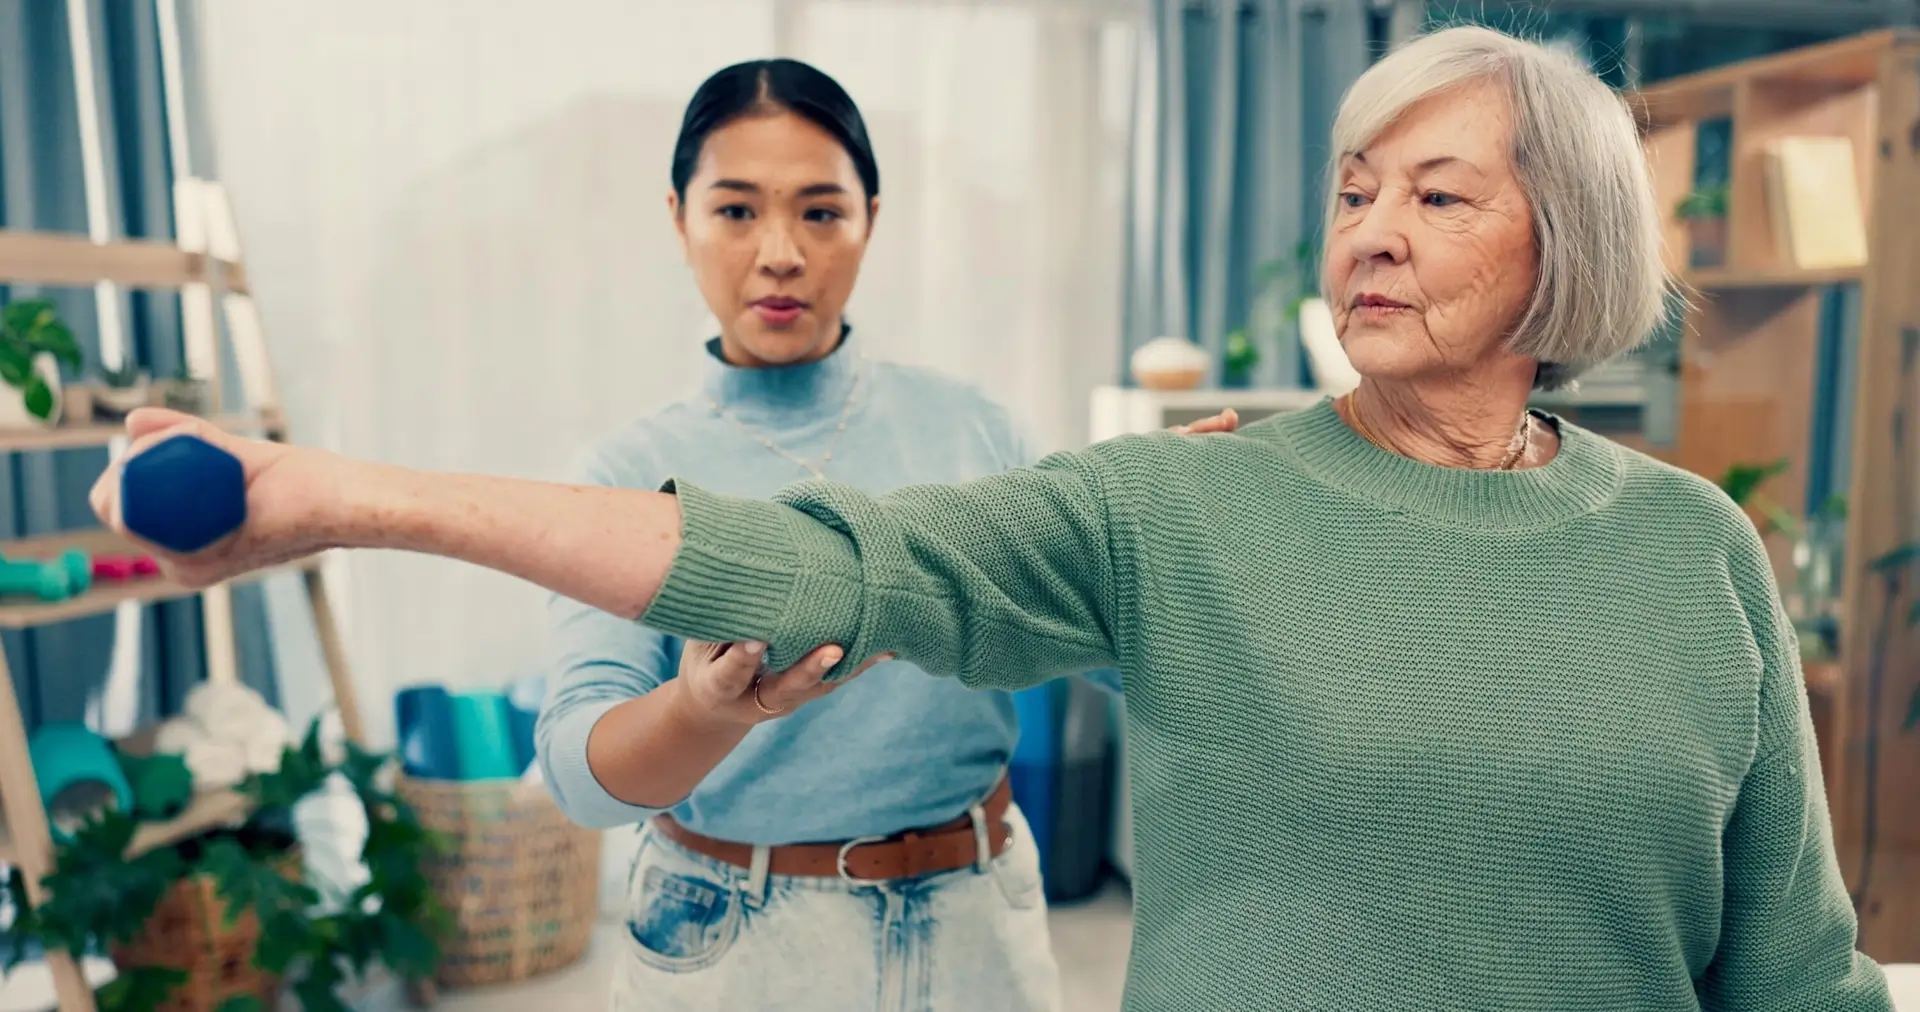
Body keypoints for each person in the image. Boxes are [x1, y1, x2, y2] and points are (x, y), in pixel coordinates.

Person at [92, 24, 1893, 1012]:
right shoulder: (1176, 499)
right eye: (1353, 189)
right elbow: (831, 564)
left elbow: (1794, 967)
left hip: (968, 906)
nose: (1371, 230)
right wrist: (342, 498)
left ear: (1562, 246)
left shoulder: (1692, 552)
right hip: (741, 934)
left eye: (1436, 190)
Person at [533, 56, 1229, 1010]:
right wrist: (703, 712)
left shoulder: (973, 426)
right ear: (678, 216)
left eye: (821, 211)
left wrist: (1157, 531)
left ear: (871, 219)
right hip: (731, 936)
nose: (780, 252)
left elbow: (1113, 652)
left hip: (981, 915)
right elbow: (580, 773)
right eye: (736, 210)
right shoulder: (625, 471)